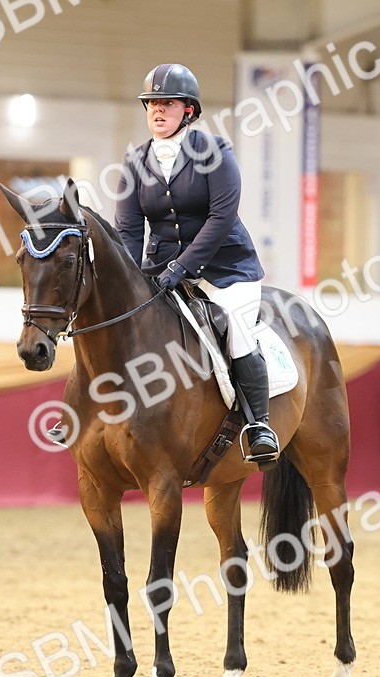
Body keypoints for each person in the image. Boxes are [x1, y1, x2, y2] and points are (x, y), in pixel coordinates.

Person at [115, 63, 278, 464]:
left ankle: (259, 425)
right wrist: (128, 281)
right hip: (161, 271)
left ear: (188, 110)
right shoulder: (135, 161)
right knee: (120, 327)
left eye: (167, 103)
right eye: (152, 103)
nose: (157, 110)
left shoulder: (215, 152)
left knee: (237, 329)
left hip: (226, 269)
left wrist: (182, 267)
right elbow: (128, 230)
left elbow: (221, 218)